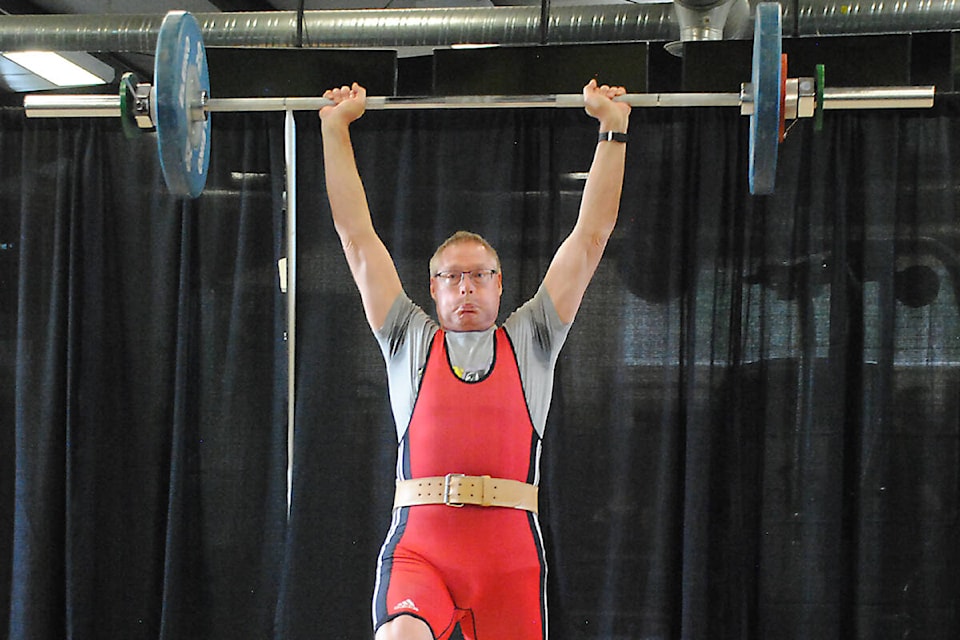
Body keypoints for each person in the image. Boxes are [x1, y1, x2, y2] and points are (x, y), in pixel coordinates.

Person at [319, 79, 631, 640]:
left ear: (499, 285)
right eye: (452, 277)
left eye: (479, 275)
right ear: (432, 289)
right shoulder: (407, 340)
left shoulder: (533, 338)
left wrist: (612, 129)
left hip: (508, 562)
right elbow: (356, 237)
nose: (466, 287)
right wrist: (334, 128)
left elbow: (590, 237)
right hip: (422, 551)